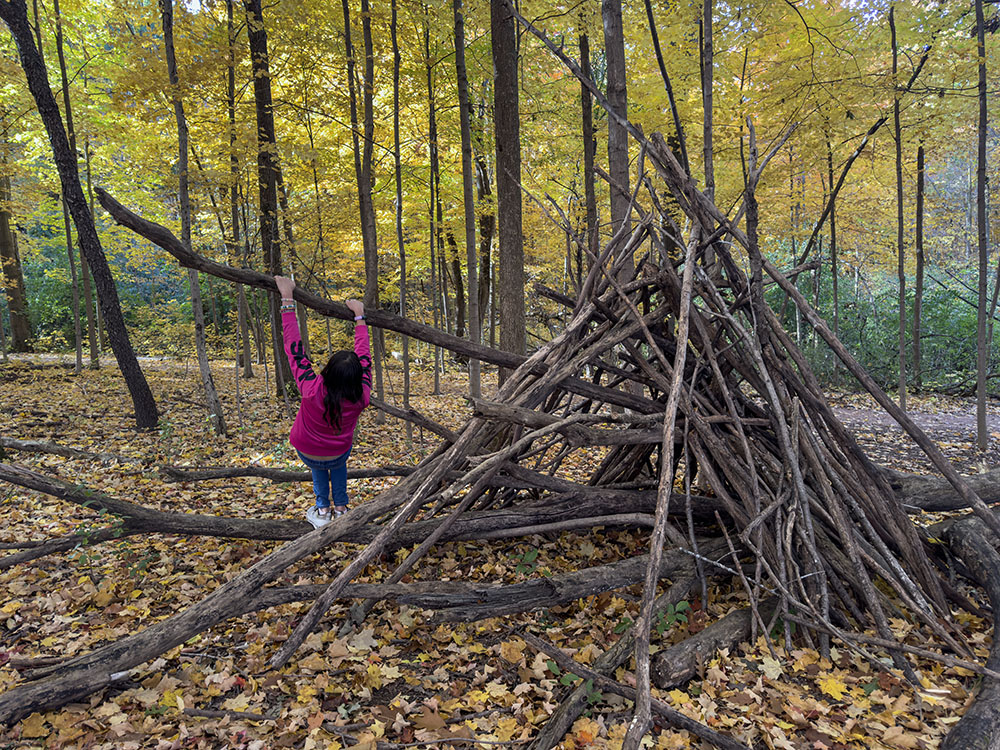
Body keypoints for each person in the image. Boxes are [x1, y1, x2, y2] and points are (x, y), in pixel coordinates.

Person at [275, 275, 371, 528]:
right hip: (338, 451)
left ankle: (322, 509)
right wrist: (359, 317)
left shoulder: (310, 387)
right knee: (336, 464)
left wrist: (287, 297)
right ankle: (340, 508)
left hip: (307, 450)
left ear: (327, 371)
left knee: (319, 467)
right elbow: (364, 356)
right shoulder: (362, 395)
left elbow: (293, 347)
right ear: (357, 376)